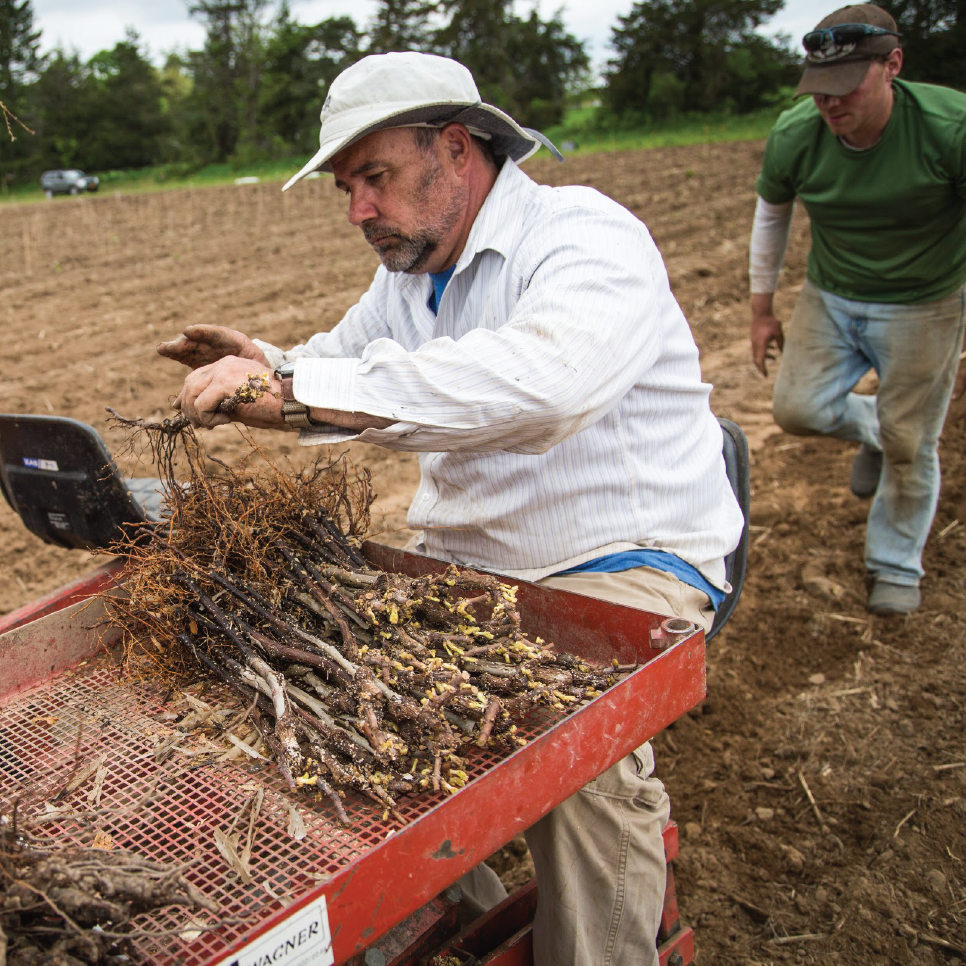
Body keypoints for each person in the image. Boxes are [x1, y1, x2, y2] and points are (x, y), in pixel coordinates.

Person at [159, 51, 743, 966]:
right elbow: (344, 358)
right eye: (347, 187)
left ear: (459, 149)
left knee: (573, 743)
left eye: (375, 178)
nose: (358, 209)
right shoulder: (408, 278)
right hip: (474, 570)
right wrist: (269, 360)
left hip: (623, 559)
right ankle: (455, 918)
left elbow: (543, 388)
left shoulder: (585, 238)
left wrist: (297, 387)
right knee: (331, 699)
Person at [749, 3, 966, 616]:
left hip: (927, 302)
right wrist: (762, 308)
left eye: (845, 88)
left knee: (912, 443)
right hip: (833, 294)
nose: (830, 104)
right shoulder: (798, 134)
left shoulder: (949, 130)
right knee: (797, 408)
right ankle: (878, 425)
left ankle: (895, 563)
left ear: (892, 65)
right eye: (819, 90)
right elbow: (771, 218)